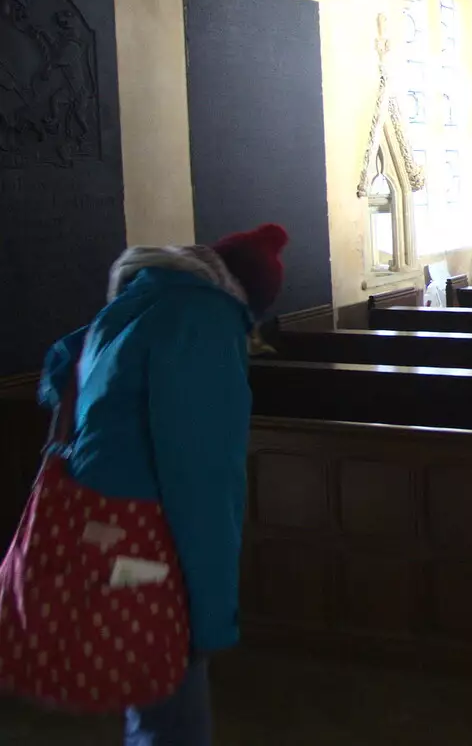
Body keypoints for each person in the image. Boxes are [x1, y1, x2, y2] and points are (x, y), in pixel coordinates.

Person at [36, 224, 290, 746]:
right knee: (173, 708)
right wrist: (211, 615)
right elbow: (199, 476)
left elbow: (60, 374)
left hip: (103, 520)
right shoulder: (203, 322)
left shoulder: (139, 302)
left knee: (150, 697)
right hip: (152, 535)